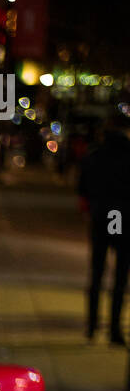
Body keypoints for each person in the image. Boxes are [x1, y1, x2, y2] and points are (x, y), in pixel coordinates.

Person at [78, 114, 130, 346]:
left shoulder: (95, 155)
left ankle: (91, 326)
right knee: (119, 278)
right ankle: (114, 329)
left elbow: (83, 188)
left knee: (97, 273)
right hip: (122, 219)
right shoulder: (127, 156)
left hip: (101, 217)